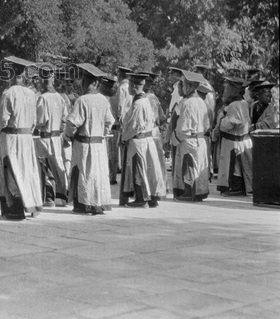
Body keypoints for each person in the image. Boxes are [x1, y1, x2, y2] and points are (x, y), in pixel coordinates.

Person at [0, 58, 43, 220]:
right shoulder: (31, 94)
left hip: (12, 138)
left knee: (12, 171)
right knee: (27, 171)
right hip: (27, 137)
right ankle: (31, 204)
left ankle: (14, 209)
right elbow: (35, 120)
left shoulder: (9, 94)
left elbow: (1, 119)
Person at [64, 63, 115, 215]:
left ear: (95, 83)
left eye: (85, 81)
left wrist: (68, 136)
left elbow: (72, 122)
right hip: (99, 144)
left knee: (85, 174)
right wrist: (103, 132)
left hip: (84, 143)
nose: (83, 84)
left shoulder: (82, 100)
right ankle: (97, 203)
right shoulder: (103, 100)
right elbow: (110, 121)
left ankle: (84, 204)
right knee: (97, 174)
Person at [119, 73, 167, 208]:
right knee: (149, 170)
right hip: (147, 139)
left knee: (138, 169)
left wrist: (123, 138)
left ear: (134, 86)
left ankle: (141, 198)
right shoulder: (146, 99)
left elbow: (133, 125)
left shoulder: (138, 104)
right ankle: (151, 197)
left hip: (138, 141)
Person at [171, 70, 211, 201]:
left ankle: (188, 193)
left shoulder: (187, 103)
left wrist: (175, 139)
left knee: (188, 166)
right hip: (200, 139)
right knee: (198, 167)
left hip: (188, 139)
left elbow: (183, 127)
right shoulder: (201, 102)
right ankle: (198, 193)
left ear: (190, 86)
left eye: (183, 85)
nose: (182, 88)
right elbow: (206, 124)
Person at [35, 65, 69, 207]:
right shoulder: (60, 98)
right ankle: (62, 196)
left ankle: (49, 197)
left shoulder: (42, 98)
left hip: (45, 136)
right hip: (57, 136)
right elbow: (65, 118)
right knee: (59, 166)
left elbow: (40, 121)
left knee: (46, 166)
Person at [214, 76, 252, 196]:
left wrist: (222, 118)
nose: (225, 91)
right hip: (236, 140)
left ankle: (235, 188)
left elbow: (229, 124)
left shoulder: (236, 105)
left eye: (227, 89)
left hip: (233, 141)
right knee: (235, 166)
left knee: (234, 166)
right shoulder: (242, 103)